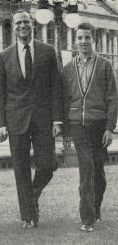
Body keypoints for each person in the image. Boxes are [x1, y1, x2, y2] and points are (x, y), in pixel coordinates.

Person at [0, 10, 63, 228]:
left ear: (32, 24)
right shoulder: (4, 55)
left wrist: (57, 120)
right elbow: (0, 92)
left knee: (48, 164)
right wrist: (1, 123)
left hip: (43, 119)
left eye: (25, 22)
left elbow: (56, 87)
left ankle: (30, 199)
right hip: (16, 119)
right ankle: (28, 217)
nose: (22, 26)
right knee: (21, 169)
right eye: (18, 23)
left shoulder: (48, 51)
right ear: (13, 27)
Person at [61, 22, 117, 232]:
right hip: (77, 124)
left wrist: (110, 128)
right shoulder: (68, 68)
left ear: (94, 39)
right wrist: (66, 131)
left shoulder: (104, 65)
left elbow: (112, 98)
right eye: (80, 38)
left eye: (87, 38)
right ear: (75, 41)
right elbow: (65, 100)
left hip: (99, 124)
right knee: (86, 168)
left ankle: (96, 207)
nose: (83, 42)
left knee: (98, 172)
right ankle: (88, 218)